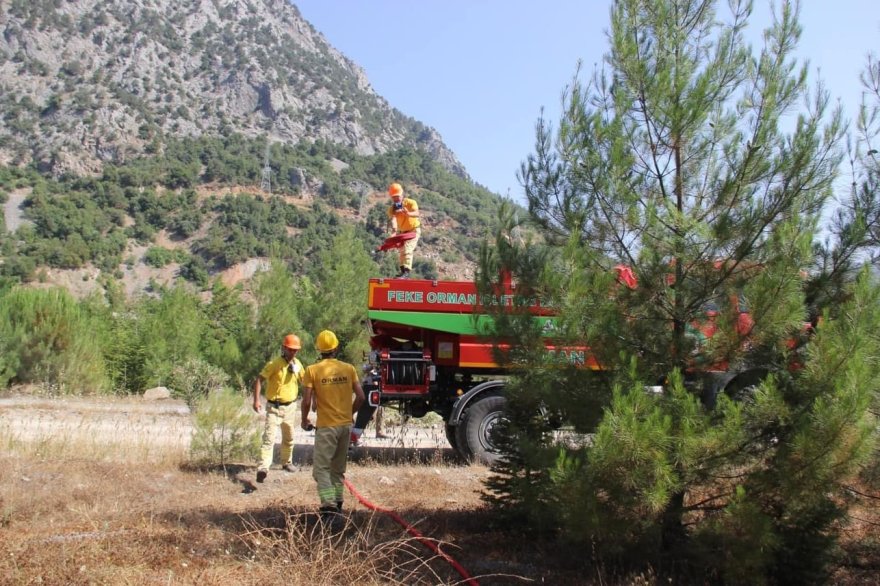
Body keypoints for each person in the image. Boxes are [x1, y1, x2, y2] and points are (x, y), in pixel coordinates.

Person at [301, 330, 365, 524]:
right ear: (336, 348)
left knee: (320, 469)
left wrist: (304, 420)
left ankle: (328, 507)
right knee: (337, 469)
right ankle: (337, 505)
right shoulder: (349, 368)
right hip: (345, 426)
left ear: (319, 349)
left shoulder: (312, 370)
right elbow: (361, 398)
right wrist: (349, 414)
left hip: (327, 427)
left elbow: (306, 401)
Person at [252, 334, 304, 483]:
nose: (293, 352)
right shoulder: (275, 364)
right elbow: (259, 379)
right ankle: (263, 468)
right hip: (274, 407)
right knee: (268, 438)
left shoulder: (298, 365)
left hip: (290, 407)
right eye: (291, 349)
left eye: (295, 350)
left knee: (289, 437)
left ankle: (287, 462)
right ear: (284, 348)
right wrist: (256, 400)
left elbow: (305, 381)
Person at [386, 182, 421, 278]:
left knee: (407, 249)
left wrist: (408, 213)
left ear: (402, 194)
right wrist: (393, 233)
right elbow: (393, 220)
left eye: (397, 196)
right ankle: (402, 272)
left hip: (413, 231)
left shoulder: (410, 203)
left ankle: (407, 272)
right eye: (394, 197)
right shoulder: (391, 209)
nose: (396, 199)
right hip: (402, 233)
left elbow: (417, 213)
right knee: (401, 251)